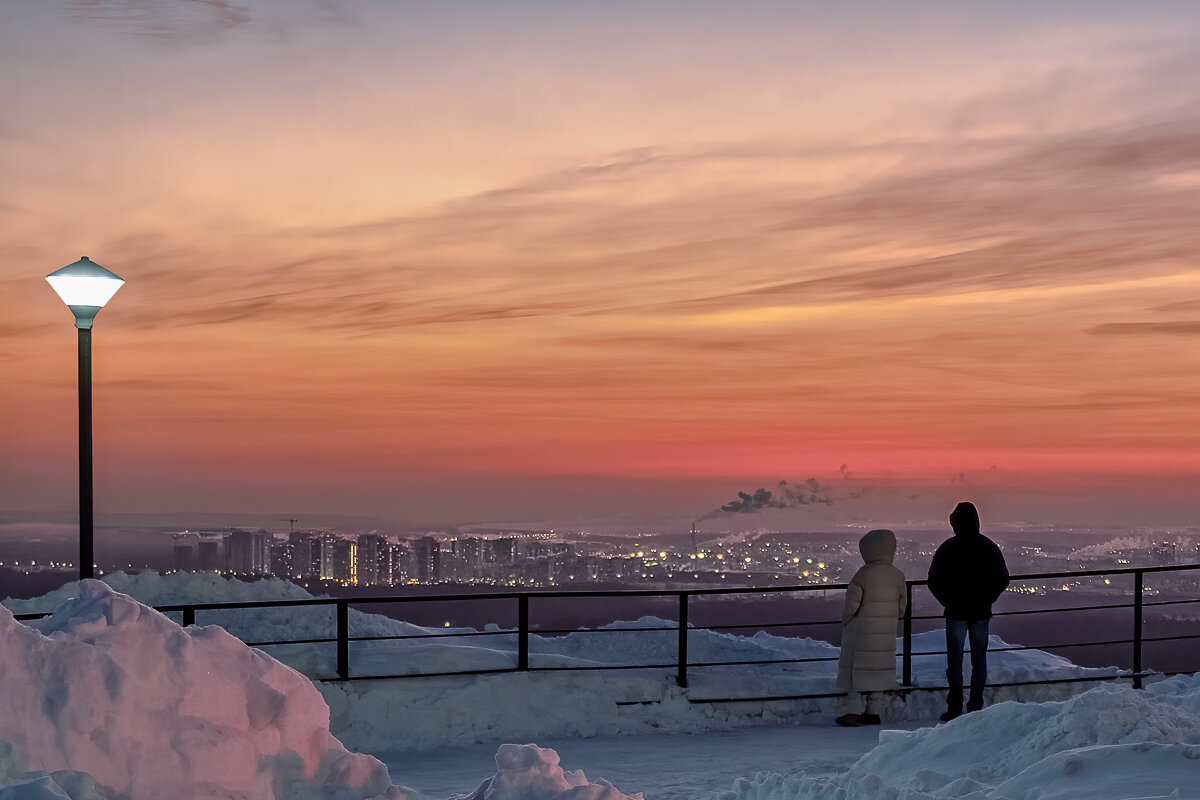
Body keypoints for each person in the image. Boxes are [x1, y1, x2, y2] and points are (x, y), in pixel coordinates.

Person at [927, 501, 1009, 722]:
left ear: (954, 523)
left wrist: (947, 601)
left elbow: (933, 580)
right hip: (981, 612)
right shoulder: (988, 547)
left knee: (954, 662)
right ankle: (975, 707)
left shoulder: (947, 548)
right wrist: (988, 599)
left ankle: (954, 707)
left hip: (955, 612)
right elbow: (1002, 578)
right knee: (979, 661)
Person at [835, 528, 908, 727]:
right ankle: (873, 712)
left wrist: (847, 622)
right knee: (878, 672)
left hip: (861, 632)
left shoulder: (863, 574)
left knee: (856, 673)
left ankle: (853, 711)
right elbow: (902, 607)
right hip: (885, 633)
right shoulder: (898, 575)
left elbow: (852, 604)